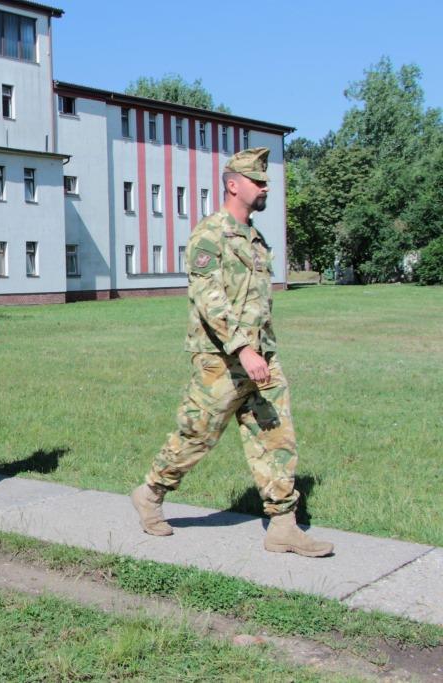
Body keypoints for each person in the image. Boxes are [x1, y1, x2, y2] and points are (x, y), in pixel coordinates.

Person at [130, 148, 333, 557]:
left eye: (265, 182)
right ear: (233, 185)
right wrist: (241, 348)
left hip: (262, 358)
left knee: (277, 437)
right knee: (197, 436)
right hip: (220, 361)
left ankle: (283, 525)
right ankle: (151, 492)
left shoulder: (256, 240)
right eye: (258, 182)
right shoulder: (209, 234)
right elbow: (209, 297)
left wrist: (260, 350)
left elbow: (256, 302)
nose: (265, 188)